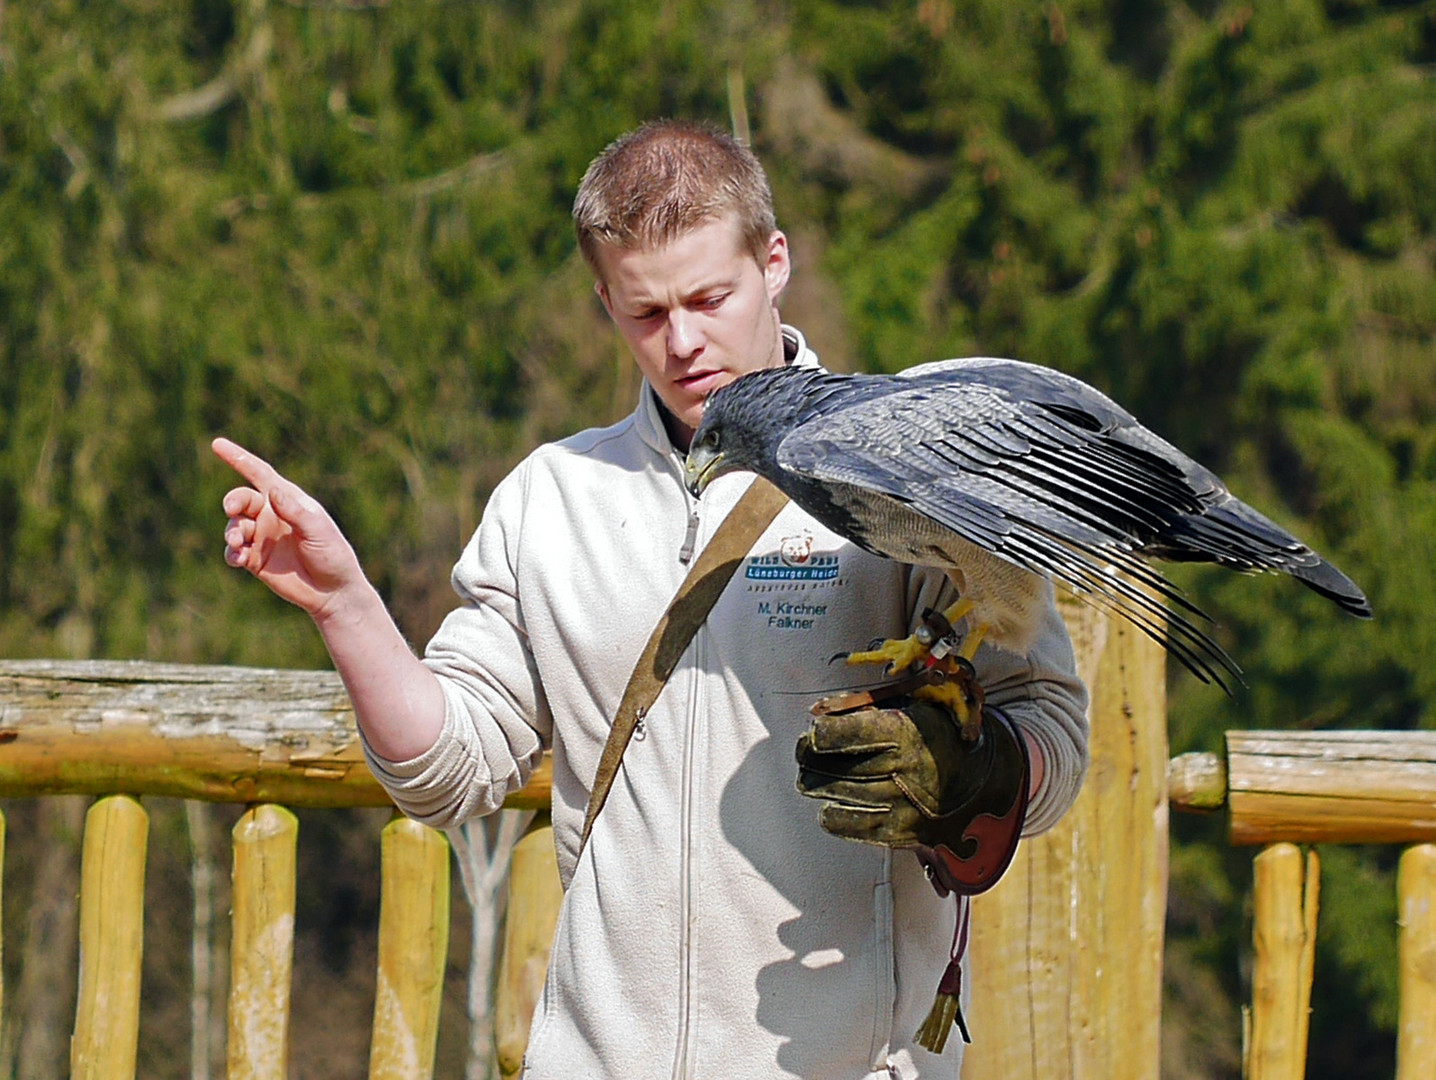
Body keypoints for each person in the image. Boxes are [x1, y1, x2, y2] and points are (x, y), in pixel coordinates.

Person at [216, 119, 1089, 1080]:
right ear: (604, 302)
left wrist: (978, 773)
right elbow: (445, 773)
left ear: (774, 261)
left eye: (710, 298)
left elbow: (1049, 729)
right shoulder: (551, 498)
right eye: (643, 313)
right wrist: (345, 604)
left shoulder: (904, 470)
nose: (681, 343)